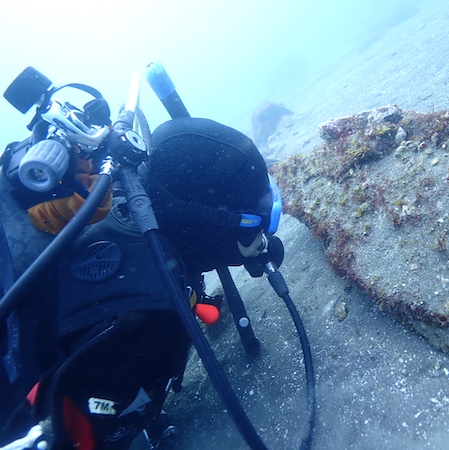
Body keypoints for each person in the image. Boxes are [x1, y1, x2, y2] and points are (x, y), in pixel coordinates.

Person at [0, 115, 283, 449]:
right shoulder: (145, 319)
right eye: (257, 222)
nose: (262, 235)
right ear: (212, 226)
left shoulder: (125, 200)